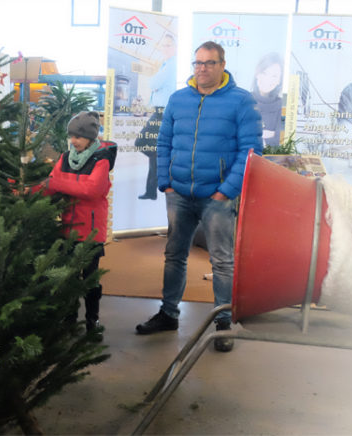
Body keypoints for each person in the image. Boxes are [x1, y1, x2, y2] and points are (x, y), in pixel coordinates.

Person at [135, 41, 263, 352]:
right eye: (198, 63)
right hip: (179, 193)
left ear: (222, 65)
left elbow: (251, 151)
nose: (202, 68)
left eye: (209, 63)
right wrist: (165, 182)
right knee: (174, 255)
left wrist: (225, 191)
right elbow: (163, 142)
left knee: (222, 261)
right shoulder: (178, 99)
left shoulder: (241, 101)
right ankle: (168, 314)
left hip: (217, 197)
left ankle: (223, 323)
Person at [37, 112, 117, 341]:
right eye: (71, 136)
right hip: (68, 228)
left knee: (90, 279)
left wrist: (58, 183)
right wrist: (26, 190)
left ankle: (93, 320)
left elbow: (92, 190)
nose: (73, 141)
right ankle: (69, 319)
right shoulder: (65, 158)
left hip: (91, 231)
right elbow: (49, 185)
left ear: (91, 138)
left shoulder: (101, 160)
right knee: (68, 278)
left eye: (78, 137)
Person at [138, 33, 178, 200]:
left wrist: (154, 84)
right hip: (160, 110)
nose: (165, 48)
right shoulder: (165, 65)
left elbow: (153, 83)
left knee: (141, 142)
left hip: (163, 112)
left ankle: (165, 165)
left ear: (175, 47)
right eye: (164, 45)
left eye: (169, 45)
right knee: (153, 152)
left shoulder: (171, 65)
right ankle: (151, 191)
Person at [252, 52, 284, 147]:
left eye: (274, 76)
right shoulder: (243, 102)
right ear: (257, 74)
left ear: (279, 81)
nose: (267, 79)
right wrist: (270, 135)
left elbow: (282, 141)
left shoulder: (282, 106)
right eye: (264, 73)